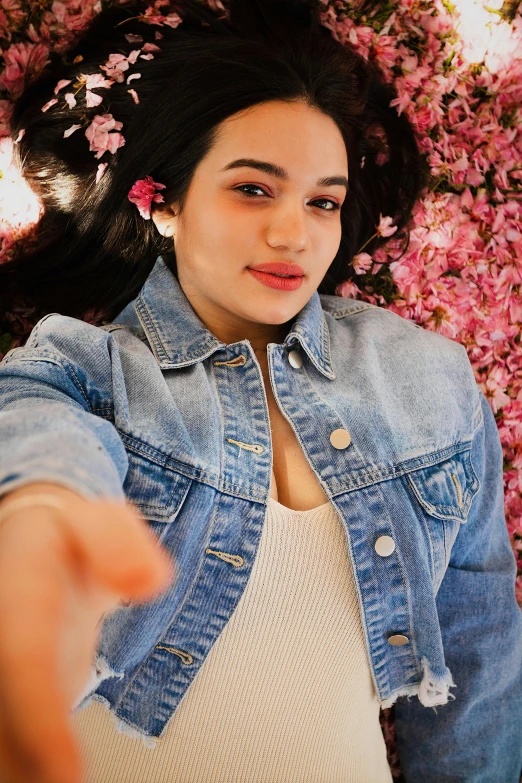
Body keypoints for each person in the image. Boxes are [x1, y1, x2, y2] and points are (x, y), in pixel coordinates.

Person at [0, 0, 520, 782]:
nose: (295, 234)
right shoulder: (87, 367)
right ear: (163, 200)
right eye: (253, 189)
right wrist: (42, 514)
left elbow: (479, 673)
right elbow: (36, 440)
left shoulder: (427, 380)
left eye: (323, 201)